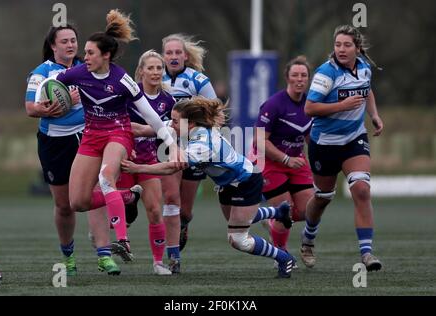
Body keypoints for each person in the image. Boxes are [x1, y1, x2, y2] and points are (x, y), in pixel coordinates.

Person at [49, 10, 175, 263]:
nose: (85, 57)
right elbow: (54, 82)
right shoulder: (78, 73)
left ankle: (123, 241)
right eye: (85, 52)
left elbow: (150, 115)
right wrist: (48, 98)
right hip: (91, 137)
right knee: (78, 202)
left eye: (90, 53)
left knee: (106, 179)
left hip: (118, 134)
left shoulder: (122, 80)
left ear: (106, 55)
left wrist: (172, 144)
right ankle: (129, 195)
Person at [121, 97, 296, 278]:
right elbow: (142, 129)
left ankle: (284, 258)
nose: (170, 125)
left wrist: (138, 168)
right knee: (239, 221)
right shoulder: (182, 126)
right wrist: (111, 127)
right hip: (227, 184)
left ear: (191, 124)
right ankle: (278, 212)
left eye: (174, 121)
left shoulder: (203, 144)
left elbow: (171, 166)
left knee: (238, 239)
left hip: (246, 181)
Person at [25, 24, 121, 275]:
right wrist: (53, 107)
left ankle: (104, 254)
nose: (70, 45)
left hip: (86, 135)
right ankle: (68, 256)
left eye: (73, 40)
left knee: (98, 188)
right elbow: (30, 107)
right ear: (53, 46)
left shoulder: (87, 65)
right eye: (64, 41)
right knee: (65, 205)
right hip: (54, 142)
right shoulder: (41, 72)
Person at [301, 25, 384, 271]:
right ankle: (308, 239)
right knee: (323, 197)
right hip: (324, 144)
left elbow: (367, 92)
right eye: (338, 45)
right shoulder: (326, 74)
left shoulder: (364, 68)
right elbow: (310, 108)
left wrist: (374, 116)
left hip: (353, 139)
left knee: (361, 189)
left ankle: (367, 254)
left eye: (347, 45)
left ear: (357, 48)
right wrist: (343, 105)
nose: (341, 49)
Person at [161, 34, 217, 271]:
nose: (173, 57)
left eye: (177, 53)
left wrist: (203, 137)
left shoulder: (198, 80)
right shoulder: (155, 77)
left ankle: (183, 223)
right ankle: (173, 256)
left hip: (193, 148)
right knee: (171, 200)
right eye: (169, 53)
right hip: (164, 146)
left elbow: (215, 112)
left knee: (184, 209)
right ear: (163, 56)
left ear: (185, 55)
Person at [254, 56, 314, 254]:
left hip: (297, 161)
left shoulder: (311, 104)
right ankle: (281, 253)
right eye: (295, 75)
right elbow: (259, 141)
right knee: (285, 210)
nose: (299, 79)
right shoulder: (273, 105)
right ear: (287, 78)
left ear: (308, 79)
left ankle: (273, 220)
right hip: (270, 162)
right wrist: (285, 159)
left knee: (309, 211)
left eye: (303, 75)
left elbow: (310, 137)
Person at [124, 49, 175, 275]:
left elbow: (171, 131)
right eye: (151, 68)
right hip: (123, 158)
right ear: (141, 71)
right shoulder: (128, 95)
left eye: (159, 68)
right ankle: (111, 248)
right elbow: (123, 126)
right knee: (121, 206)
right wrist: (155, 129)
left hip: (149, 161)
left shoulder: (168, 101)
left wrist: (145, 130)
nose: (155, 72)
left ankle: (157, 263)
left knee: (155, 210)